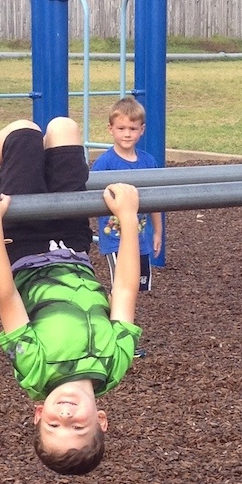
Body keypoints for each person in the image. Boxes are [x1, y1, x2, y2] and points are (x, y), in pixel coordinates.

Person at [0, 117, 142, 475]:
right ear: (101, 420)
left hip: (25, 243)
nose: (66, 415)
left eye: (54, 425)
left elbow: (7, 295)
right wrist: (128, 217)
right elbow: (123, 289)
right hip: (72, 243)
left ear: (39, 413)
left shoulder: (35, 369)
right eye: (77, 426)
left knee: (24, 134)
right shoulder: (115, 364)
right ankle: (3, 162)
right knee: (64, 129)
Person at [92, 96, 162, 358]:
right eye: (121, 128)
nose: (127, 134)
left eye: (133, 129)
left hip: (139, 237)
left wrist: (157, 231)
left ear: (142, 130)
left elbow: (157, 199)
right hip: (115, 240)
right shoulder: (105, 164)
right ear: (111, 129)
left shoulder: (147, 161)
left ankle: (117, 332)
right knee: (120, 288)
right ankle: (113, 339)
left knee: (134, 289)